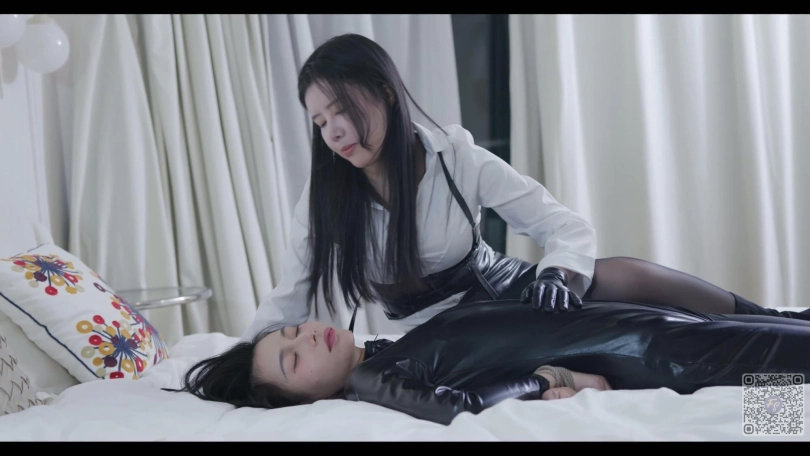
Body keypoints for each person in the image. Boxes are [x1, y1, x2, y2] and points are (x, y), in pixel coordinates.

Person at [242, 32, 808, 342]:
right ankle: (775, 366)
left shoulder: (455, 157)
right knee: (648, 336)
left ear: (386, 94)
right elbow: (292, 292)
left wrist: (557, 275)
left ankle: (779, 322)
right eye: (320, 121)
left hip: (517, 291)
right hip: (453, 338)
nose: (334, 132)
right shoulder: (325, 202)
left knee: (633, 281)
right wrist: (247, 359)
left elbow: (562, 226)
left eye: (342, 109)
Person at [168, 297, 810, 425]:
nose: (308, 337)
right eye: (291, 360)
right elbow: (462, 406)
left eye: (294, 331)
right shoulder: (372, 379)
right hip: (659, 355)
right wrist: (549, 380)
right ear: (301, 400)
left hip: (647, 328)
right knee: (791, 384)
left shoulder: (380, 349)